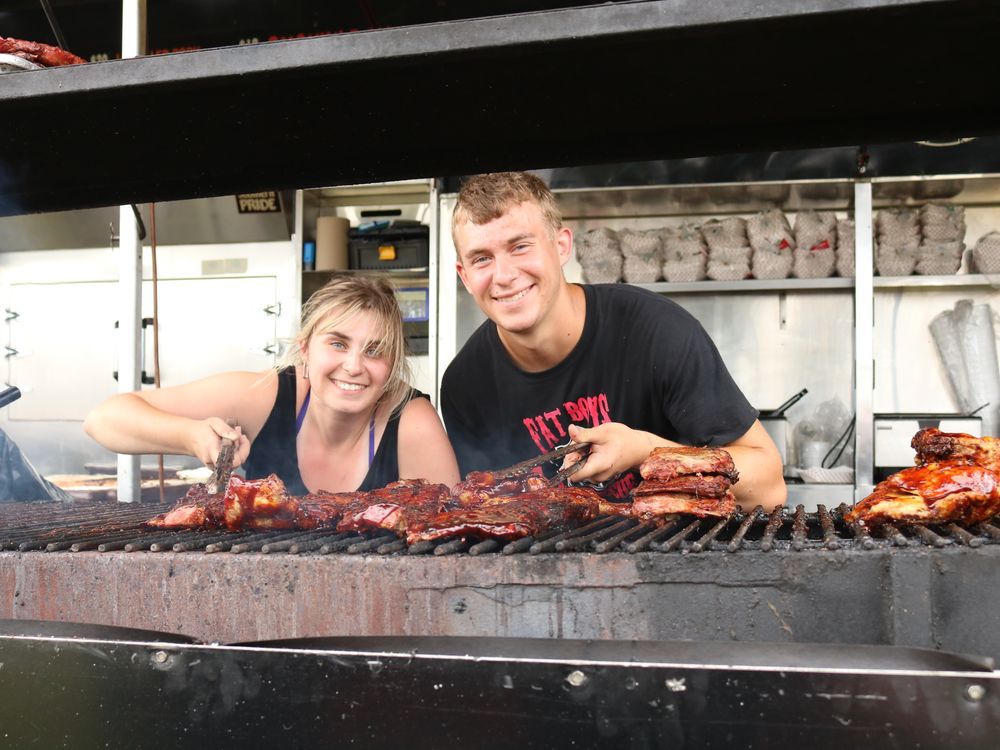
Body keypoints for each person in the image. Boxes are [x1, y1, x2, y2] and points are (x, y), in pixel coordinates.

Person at [440, 172, 785, 511]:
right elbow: (486, 510)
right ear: (465, 276)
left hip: (674, 560)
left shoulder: (657, 331)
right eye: (482, 258)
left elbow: (768, 488)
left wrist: (644, 450)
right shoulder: (466, 384)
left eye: (520, 246)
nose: (504, 275)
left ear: (561, 247)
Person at [85, 275, 460, 494]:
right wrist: (190, 435)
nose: (354, 366)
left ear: (392, 365)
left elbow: (448, 535)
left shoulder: (410, 421)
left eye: (375, 351)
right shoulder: (268, 396)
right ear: (305, 351)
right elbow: (104, 419)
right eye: (337, 343)